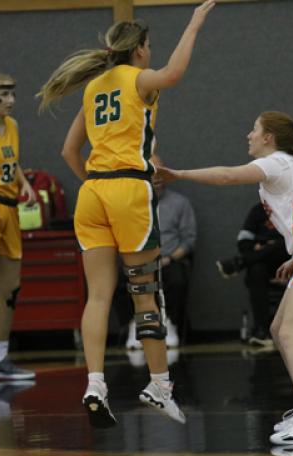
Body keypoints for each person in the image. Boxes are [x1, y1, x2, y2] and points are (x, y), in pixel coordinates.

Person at [37, 0, 216, 428]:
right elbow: (174, 72)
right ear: (138, 50)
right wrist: (193, 25)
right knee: (145, 293)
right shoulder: (139, 80)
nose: (151, 53)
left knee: (98, 296)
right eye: (149, 46)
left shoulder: (94, 87)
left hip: (93, 192)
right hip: (128, 192)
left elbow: (67, 150)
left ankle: (95, 383)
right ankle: (158, 384)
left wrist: (94, 185)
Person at [158, 110, 293, 445]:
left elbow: (226, 177)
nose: (248, 135)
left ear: (268, 138)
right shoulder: (282, 169)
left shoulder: (277, 162)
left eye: (254, 130)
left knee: (291, 334)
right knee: (279, 331)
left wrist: (179, 173)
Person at [0, 73, 36, 385]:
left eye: (13, 93)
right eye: (4, 94)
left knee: (10, 288)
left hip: (10, 210)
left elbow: (11, 162)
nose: (11, 100)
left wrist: (24, 183)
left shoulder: (13, 127)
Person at [126, 155, 197, 349]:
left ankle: (170, 324)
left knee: (178, 280)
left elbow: (189, 239)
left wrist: (169, 258)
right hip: (139, 260)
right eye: (151, 173)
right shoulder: (132, 205)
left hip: (170, 259)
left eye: (160, 172)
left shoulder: (180, 203)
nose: (156, 177)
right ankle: (135, 325)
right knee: (117, 283)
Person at [217, 202, 290, 346]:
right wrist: (265, 246)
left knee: (283, 245)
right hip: (263, 266)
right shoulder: (257, 210)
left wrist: (262, 246)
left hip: (288, 265)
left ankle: (240, 263)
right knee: (257, 270)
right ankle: (262, 331)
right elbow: (243, 242)